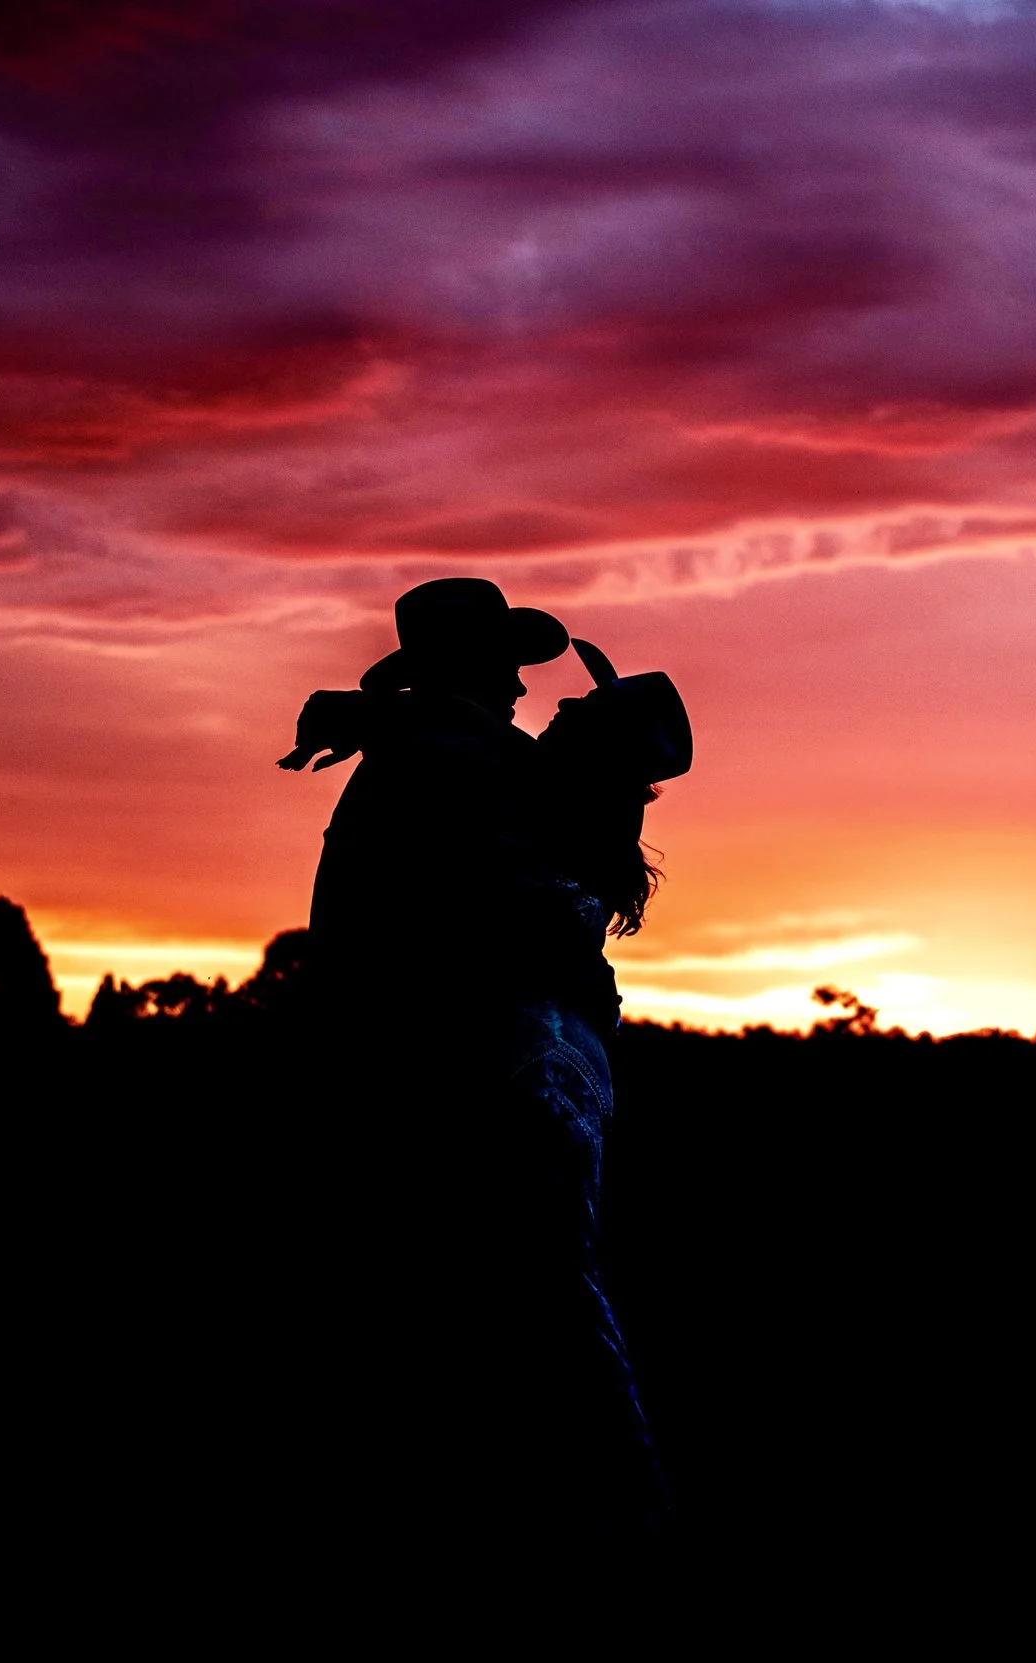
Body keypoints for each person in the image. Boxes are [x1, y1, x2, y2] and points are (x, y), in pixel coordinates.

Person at [276, 578, 691, 1543]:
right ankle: (611, 1521)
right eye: (506, 664)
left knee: (510, 1304)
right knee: (539, 1298)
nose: (523, 687)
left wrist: (382, 712)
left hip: (455, 1079)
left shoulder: (447, 758)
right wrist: (391, 715)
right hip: (483, 1076)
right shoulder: (472, 763)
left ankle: (609, 1518)